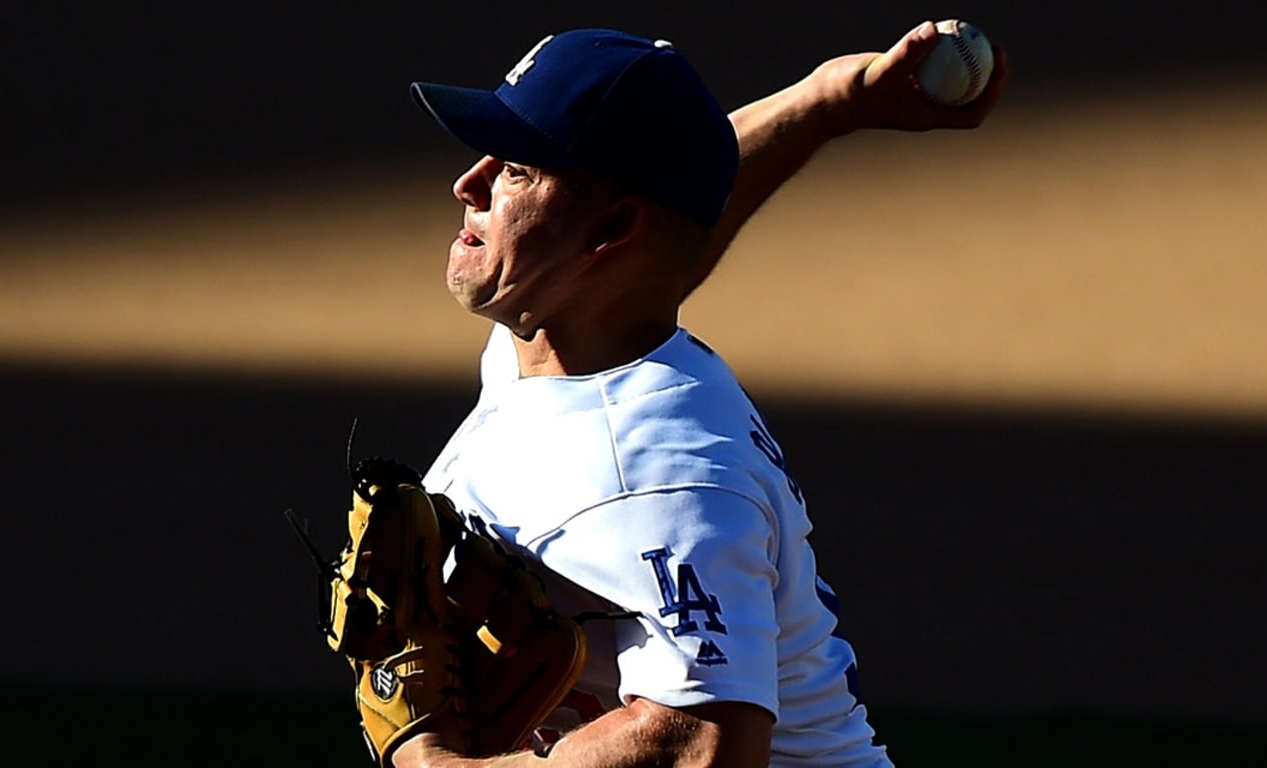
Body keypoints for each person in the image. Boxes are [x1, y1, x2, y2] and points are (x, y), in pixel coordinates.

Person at [397, 23, 1006, 768]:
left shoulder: (658, 473)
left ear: (609, 233)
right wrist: (825, 103)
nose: (470, 183)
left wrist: (431, 765)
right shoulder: (567, 331)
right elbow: (671, 222)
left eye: (518, 169)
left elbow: (701, 744)